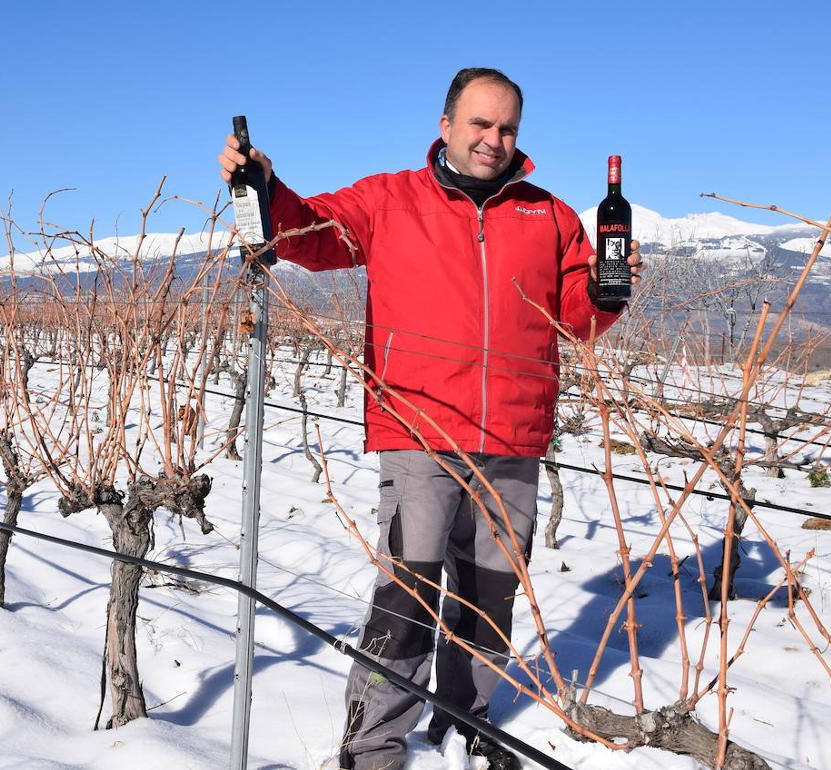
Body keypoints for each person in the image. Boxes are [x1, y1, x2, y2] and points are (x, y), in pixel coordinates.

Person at [218, 67, 643, 770]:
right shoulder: (390, 200)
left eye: (507, 128)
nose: (494, 140)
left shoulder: (553, 216)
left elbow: (578, 321)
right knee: (408, 594)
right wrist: (264, 187)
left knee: (488, 598)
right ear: (446, 126)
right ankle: (375, 746)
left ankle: (471, 723)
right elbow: (310, 236)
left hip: (514, 435)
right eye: (480, 125)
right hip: (419, 432)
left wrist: (607, 292)